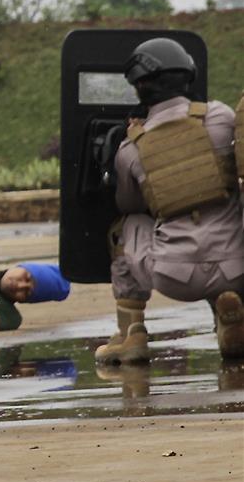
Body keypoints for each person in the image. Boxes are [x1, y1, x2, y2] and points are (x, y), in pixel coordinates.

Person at [95, 38, 244, 364]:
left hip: (174, 276)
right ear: (188, 73)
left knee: (125, 228)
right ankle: (232, 318)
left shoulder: (130, 149)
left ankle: (131, 335)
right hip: (237, 267)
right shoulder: (219, 117)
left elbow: (129, 204)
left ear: (139, 87)